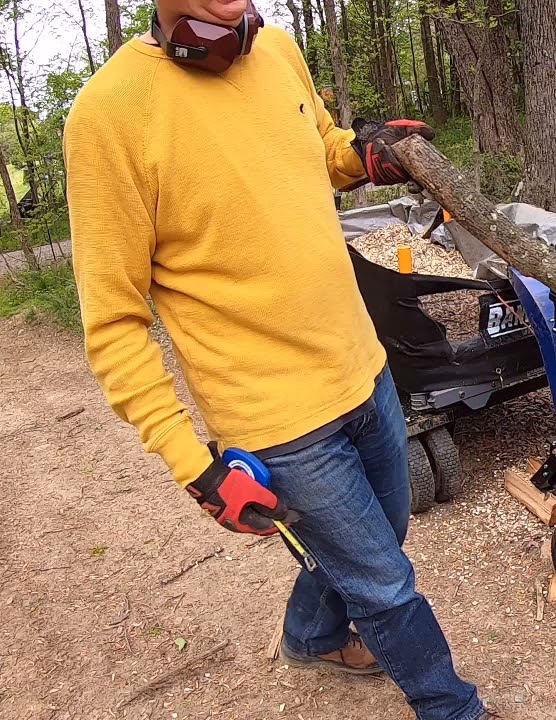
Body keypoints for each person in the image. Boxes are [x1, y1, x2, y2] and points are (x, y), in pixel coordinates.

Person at [63, 2, 491, 718]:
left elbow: (319, 146)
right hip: (277, 422)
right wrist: (192, 465)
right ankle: (452, 707)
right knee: (384, 583)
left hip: (363, 366)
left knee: (379, 538)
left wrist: (364, 158)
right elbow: (112, 322)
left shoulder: (280, 49)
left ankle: (313, 633)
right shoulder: (109, 115)